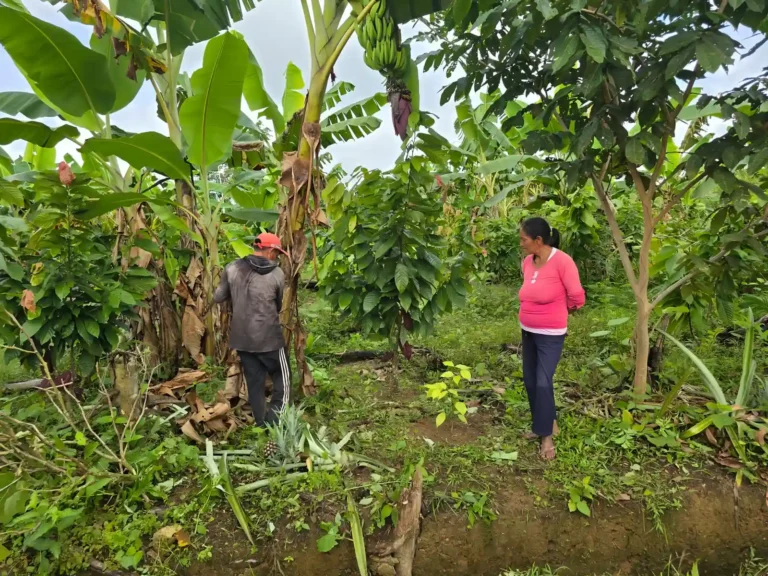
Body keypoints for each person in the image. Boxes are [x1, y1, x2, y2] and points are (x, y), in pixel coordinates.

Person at [518, 217, 585, 460]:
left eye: (524, 239)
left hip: (550, 334)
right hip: (528, 330)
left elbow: (577, 295)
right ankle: (541, 425)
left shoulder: (563, 262)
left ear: (538, 240)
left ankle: (546, 436)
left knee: (543, 381)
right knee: (530, 380)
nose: (521, 243)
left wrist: (566, 308)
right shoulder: (527, 261)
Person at [214, 232, 290, 426]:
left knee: (254, 383)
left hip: (242, 339)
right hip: (270, 339)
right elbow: (278, 305)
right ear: (271, 251)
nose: (277, 257)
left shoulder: (232, 268)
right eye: (277, 253)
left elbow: (218, 297)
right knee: (283, 376)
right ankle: (275, 419)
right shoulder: (277, 274)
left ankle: (261, 424)